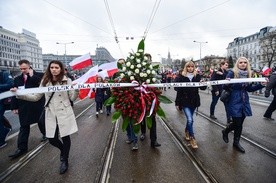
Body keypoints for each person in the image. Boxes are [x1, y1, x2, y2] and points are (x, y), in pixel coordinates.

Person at [12, 60, 79, 174]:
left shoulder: (67, 80)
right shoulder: (45, 80)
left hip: (64, 112)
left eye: (56, 67)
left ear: (61, 69)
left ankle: (64, 160)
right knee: (52, 139)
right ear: (49, 68)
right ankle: (63, 151)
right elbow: (36, 97)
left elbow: (72, 98)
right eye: (52, 67)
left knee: (65, 136)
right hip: (51, 112)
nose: (54, 69)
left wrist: (75, 88)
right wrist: (19, 94)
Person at [222, 57, 266, 153]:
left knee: (240, 123)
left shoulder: (248, 74)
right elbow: (224, 86)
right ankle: (226, 132)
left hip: (244, 100)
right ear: (237, 64)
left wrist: (261, 85)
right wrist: (227, 82)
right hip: (234, 100)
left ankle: (235, 142)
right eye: (240, 62)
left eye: (245, 62)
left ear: (247, 64)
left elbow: (249, 89)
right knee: (237, 122)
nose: (243, 64)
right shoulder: (232, 73)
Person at [9, 60, 46, 159]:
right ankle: (21, 148)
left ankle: (45, 134)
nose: (23, 70)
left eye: (24, 68)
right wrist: (14, 106)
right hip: (24, 106)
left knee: (41, 122)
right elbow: (14, 92)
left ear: (29, 67)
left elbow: (41, 86)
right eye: (21, 69)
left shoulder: (40, 75)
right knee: (24, 127)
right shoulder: (17, 79)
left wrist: (31, 76)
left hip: (37, 104)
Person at [175, 61, 206, 149]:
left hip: (194, 101)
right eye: (188, 67)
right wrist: (177, 103)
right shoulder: (182, 76)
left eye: (192, 66)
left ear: (194, 67)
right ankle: (192, 138)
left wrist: (203, 83)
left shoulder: (197, 76)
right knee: (190, 119)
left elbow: (202, 88)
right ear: (186, 67)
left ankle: (187, 130)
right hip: (184, 101)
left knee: (190, 120)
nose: (190, 68)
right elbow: (179, 90)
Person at [139, 53, 161, 148]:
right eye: (145, 59)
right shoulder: (138, 69)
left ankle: (154, 140)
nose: (147, 61)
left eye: (148, 59)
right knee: (142, 117)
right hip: (140, 96)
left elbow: (158, 81)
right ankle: (143, 132)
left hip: (151, 97)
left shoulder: (153, 71)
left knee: (152, 118)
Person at [0, 71, 13, 148]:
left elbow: (10, 84)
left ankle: (1, 140)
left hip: (2, 101)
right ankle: (5, 130)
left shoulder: (4, 74)